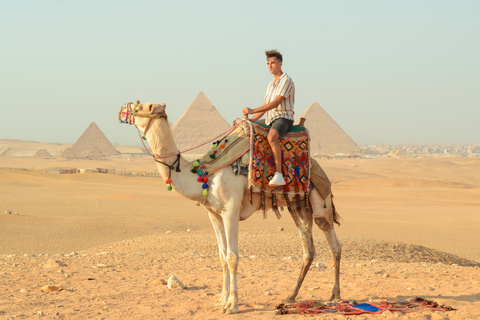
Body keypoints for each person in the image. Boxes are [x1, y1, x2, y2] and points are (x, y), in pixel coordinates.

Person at [243, 49, 295, 186]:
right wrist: (251, 120)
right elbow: (265, 105)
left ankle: (279, 174)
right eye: (267, 63)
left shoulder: (286, 81)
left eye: (272, 63)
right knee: (245, 128)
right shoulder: (270, 84)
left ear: (280, 64)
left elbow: (275, 103)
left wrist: (252, 109)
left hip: (284, 118)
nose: (270, 66)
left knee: (271, 137)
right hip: (270, 119)